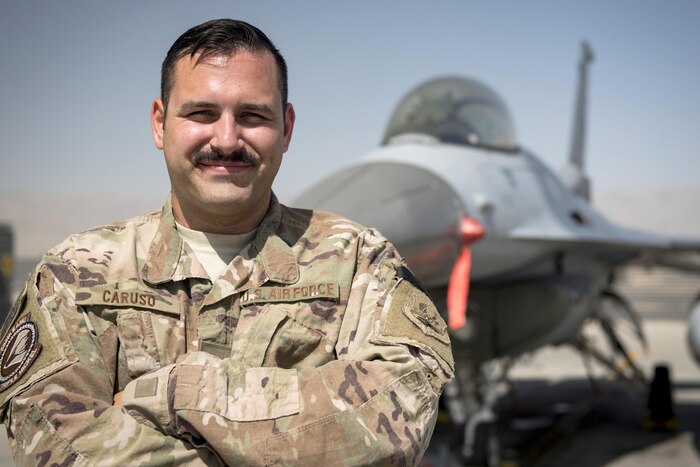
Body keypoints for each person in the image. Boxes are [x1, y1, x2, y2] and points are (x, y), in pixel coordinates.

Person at [0, 19, 454, 466]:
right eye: (202, 114)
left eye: (252, 116)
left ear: (286, 128)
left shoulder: (359, 262)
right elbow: (53, 440)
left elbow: (395, 418)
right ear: (160, 124)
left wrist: (175, 394)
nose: (226, 139)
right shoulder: (75, 273)